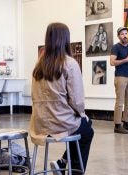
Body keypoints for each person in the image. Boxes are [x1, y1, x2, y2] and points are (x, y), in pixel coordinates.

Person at [30, 22, 94, 175]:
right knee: (87, 130)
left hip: (39, 124)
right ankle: (73, 170)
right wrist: (81, 113)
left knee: (83, 126)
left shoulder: (39, 65)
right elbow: (77, 102)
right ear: (66, 39)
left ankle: (63, 162)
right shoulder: (70, 63)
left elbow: (33, 95)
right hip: (61, 122)